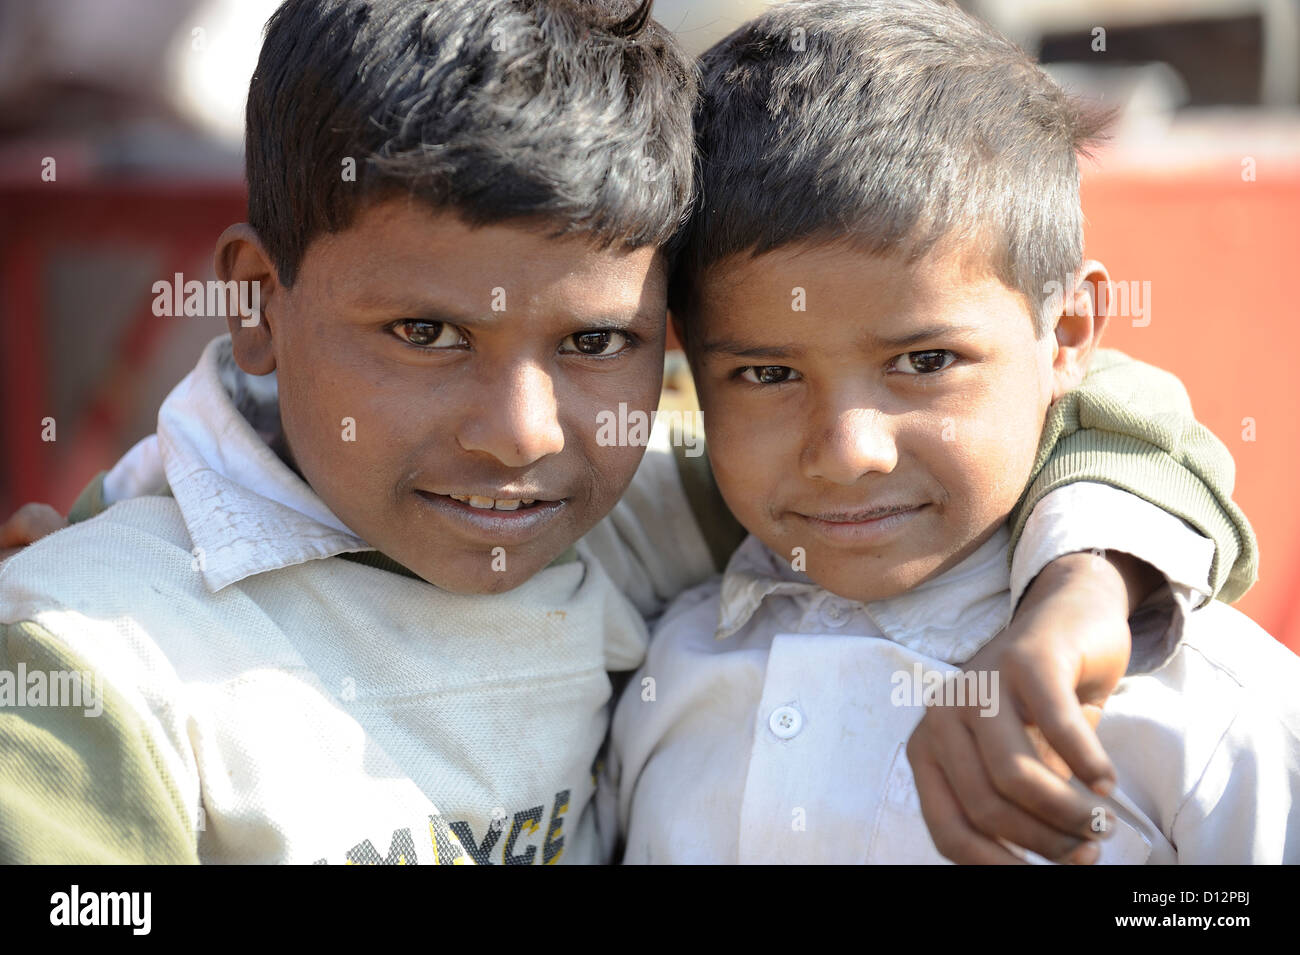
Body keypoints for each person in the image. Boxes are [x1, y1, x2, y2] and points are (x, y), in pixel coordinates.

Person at [0, 0, 1256, 864]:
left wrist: (1088, 587)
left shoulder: (655, 510)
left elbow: (1035, 408)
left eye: (597, 343)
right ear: (259, 306)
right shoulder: (94, 662)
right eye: (425, 336)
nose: (517, 437)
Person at [610, 0, 1295, 864]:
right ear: (687, 365)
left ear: (1071, 333)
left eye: (926, 361)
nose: (850, 449)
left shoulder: (1203, 713)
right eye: (768, 374)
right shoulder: (658, 667)